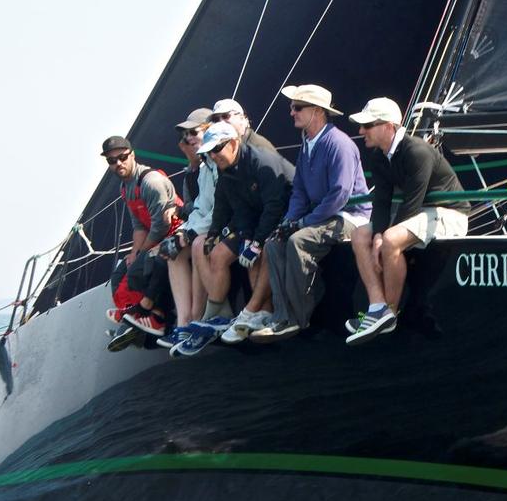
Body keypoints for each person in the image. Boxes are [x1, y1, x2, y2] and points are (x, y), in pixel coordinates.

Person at [251, 84, 370, 342]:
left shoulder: (339, 144)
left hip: (349, 216)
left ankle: (298, 318)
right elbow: (300, 192)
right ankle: (281, 316)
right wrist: (289, 222)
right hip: (322, 215)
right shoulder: (307, 144)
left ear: (317, 112)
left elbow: (340, 194)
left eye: (297, 107)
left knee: (298, 241)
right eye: (292, 107)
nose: (291, 112)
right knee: (274, 242)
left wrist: (303, 223)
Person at [345, 98, 470, 345]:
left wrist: (383, 238)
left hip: (449, 213)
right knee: (360, 234)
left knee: (391, 240)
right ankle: (376, 307)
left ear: (389, 126)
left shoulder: (417, 151)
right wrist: (377, 235)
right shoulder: (379, 157)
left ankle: (389, 314)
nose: (361, 132)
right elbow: (381, 202)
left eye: (368, 125)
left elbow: (411, 204)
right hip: (419, 212)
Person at [173, 121, 296, 355]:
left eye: (217, 149)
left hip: (287, 214)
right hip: (261, 219)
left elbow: (275, 205)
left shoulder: (261, 161)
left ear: (233, 143)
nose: (213, 155)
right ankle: (257, 313)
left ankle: (250, 310)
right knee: (244, 253)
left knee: (264, 249)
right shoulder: (226, 169)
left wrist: (257, 241)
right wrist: (246, 239)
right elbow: (239, 208)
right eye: (209, 152)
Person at [101, 135, 183, 340]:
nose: (118, 163)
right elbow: (139, 225)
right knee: (120, 273)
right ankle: (132, 317)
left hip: (174, 232)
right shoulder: (125, 187)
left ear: (132, 155)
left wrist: (142, 252)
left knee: (140, 268)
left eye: (122, 157)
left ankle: (156, 317)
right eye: (112, 160)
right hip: (154, 236)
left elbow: (161, 225)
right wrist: (134, 252)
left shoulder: (150, 182)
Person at [155, 110, 217, 351]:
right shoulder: (202, 168)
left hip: (222, 227)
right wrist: (182, 233)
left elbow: (218, 210)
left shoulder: (217, 162)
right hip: (206, 226)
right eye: (185, 136)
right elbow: (201, 209)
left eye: (194, 133)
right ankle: (184, 323)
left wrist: (189, 234)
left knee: (197, 245)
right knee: (175, 252)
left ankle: (197, 319)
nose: (188, 139)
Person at [209, 98, 277, 153]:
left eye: (225, 116)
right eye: (216, 119)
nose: (220, 122)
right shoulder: (226, 150)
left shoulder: (259, 147)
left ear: (241, 117)